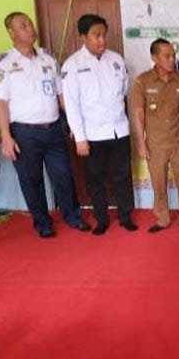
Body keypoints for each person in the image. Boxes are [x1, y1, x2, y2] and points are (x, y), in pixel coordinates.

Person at [0, 11, 89, 238]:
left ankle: (72, 216)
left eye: (30, 23)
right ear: (11, 32)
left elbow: (62, 96)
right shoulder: (4, 63)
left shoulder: (48, 59)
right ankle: (42, 222)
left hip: (53, 129)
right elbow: (1, 103)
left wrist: (76, 126)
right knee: (31, 180)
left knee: (63, 175)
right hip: (24, 132)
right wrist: (5, 136)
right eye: (22, 25)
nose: (29, 28)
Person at [61, 14, 136, 235]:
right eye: (96, 35)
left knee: (122, 177)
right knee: (96, 180)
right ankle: (101, 218)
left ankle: (125, 216)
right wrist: (80, 137)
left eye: (104, 35)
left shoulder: (116, 60)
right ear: (83, 36)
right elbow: (72, 105)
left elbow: (123, 91)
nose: (102, 40)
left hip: (119, 130)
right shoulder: (72, 65)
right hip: (92, 135)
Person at [130, 38, 179, 233]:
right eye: (166, 56)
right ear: (154, 57)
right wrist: (141, 144)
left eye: (173, 55)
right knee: (158, 182)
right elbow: (138, 114)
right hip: (156, 143)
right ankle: (162, 217)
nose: (172, 60)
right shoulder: (142, 81)